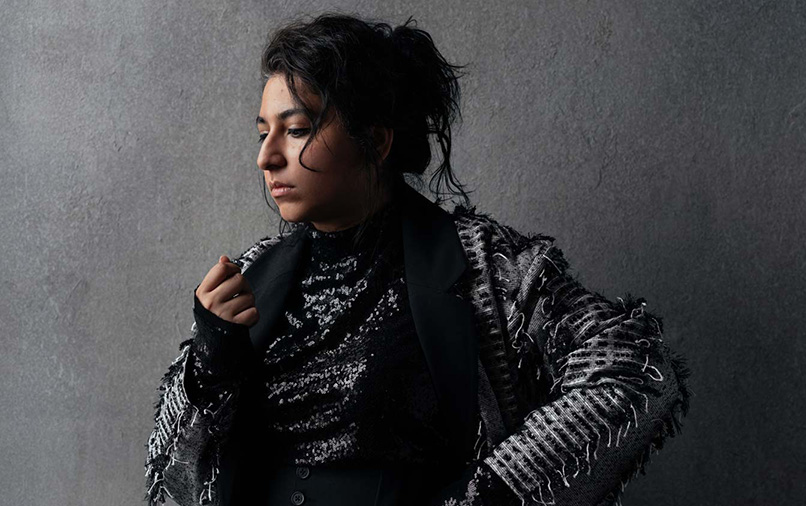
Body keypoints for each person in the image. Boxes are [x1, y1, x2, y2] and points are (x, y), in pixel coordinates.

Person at [144, 11, 692, 506]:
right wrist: (210, 364)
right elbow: (171, 477)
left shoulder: (485, 265)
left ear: (376, 141)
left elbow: (637, 368)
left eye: (297, 130)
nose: (267, 157)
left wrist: (496, 490)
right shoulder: (254, 272)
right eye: (264, 133)